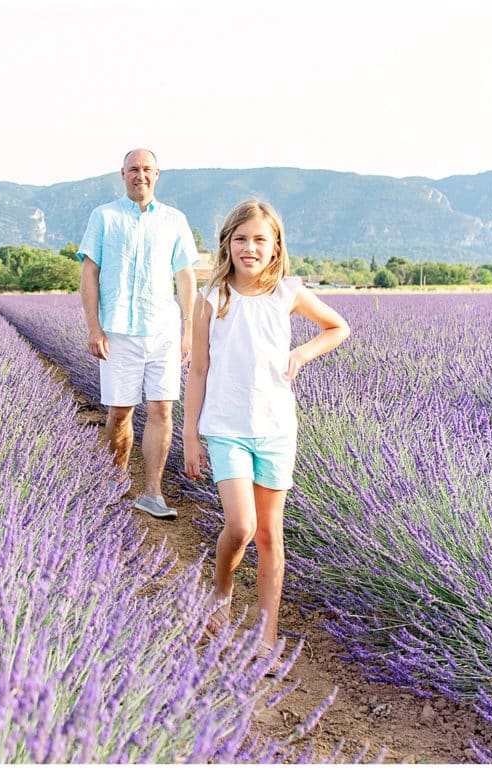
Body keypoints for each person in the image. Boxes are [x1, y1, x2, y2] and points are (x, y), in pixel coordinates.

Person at [182, 199, 349, 670]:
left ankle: (266, 635)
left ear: (275, 246)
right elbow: (198, 371)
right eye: (241, 239)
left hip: (275, 429)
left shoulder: (287, 292)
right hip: (226, 428)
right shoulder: (211, 298)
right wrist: (191, 436)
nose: (250, 247)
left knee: (271, 535)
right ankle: (221, 589)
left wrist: (301, 355)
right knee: (241, 526)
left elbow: (338, 327)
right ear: (227, 244)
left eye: (260, 239)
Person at [77, 148, 199, 519]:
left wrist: (189, 328)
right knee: (119, 413)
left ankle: (153, 493)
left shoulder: (174, 220)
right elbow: (89, 275)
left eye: (147, 170)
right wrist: (94, 328)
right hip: (117, 332)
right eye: (134, 169)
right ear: (122, 174)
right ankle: (114, 488)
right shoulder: (104, 217)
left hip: (162, 329)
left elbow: (185, 277)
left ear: (157, 174)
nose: (140, 176)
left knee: (163, 408)